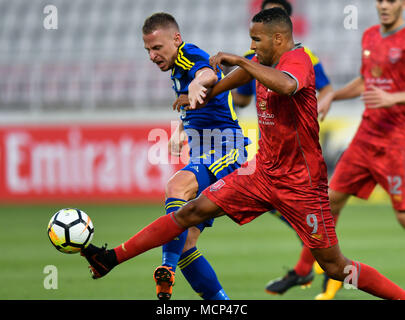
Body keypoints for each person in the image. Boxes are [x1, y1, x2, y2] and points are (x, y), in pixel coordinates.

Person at [80, 8, 405, 300]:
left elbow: (285, 86)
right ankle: (110, 258)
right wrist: (202, 95)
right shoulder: (259, 61)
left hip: (302, 186)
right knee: (190, 211)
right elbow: (226, 79)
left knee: (335, 266)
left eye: (256, 40)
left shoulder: (298, 60)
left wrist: (240, 60)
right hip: (262, 174)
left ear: (278, 39)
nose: (252, 45)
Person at [87, 12, 250, 301]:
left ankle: (165, 267)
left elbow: (207, 72)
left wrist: (199, 83)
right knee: (185, 243)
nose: (152, 55)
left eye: (157, 48)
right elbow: (200, 105)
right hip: (206, 149)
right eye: (148, 50)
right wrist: (181, 131)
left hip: (226, 148)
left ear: (176, 39)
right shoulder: (175, 68)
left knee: (176, 187)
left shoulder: (188, 55)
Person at [268, 0, 405, 300]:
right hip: (365, 138)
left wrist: (394, 97)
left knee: (403, 217)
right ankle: (306, 268)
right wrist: (333, 97)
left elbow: (388, 90)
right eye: (380, 0)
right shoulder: (369, 35)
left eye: (391, 0)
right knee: (329, 203)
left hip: (396, 143)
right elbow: (366, 81)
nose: (384, 6)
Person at [233, 0, 334, 296]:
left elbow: (324, 88)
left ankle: (322, 270)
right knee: (300, 215)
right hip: (271, 152)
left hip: (300, 146)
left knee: (317, 212)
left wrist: (325, 102)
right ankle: (313, 269)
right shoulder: (253, 59)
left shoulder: (305, 58)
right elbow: (240, 100)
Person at [232, 0, 332, 108]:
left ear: (288, 21)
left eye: (277, 16)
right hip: (266, 124)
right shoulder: (251, 56)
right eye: (267, 16)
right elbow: (243, 98)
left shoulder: (305, 56)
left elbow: (326, 90)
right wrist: (215, 92)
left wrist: (312, 113)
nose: (271, 21)